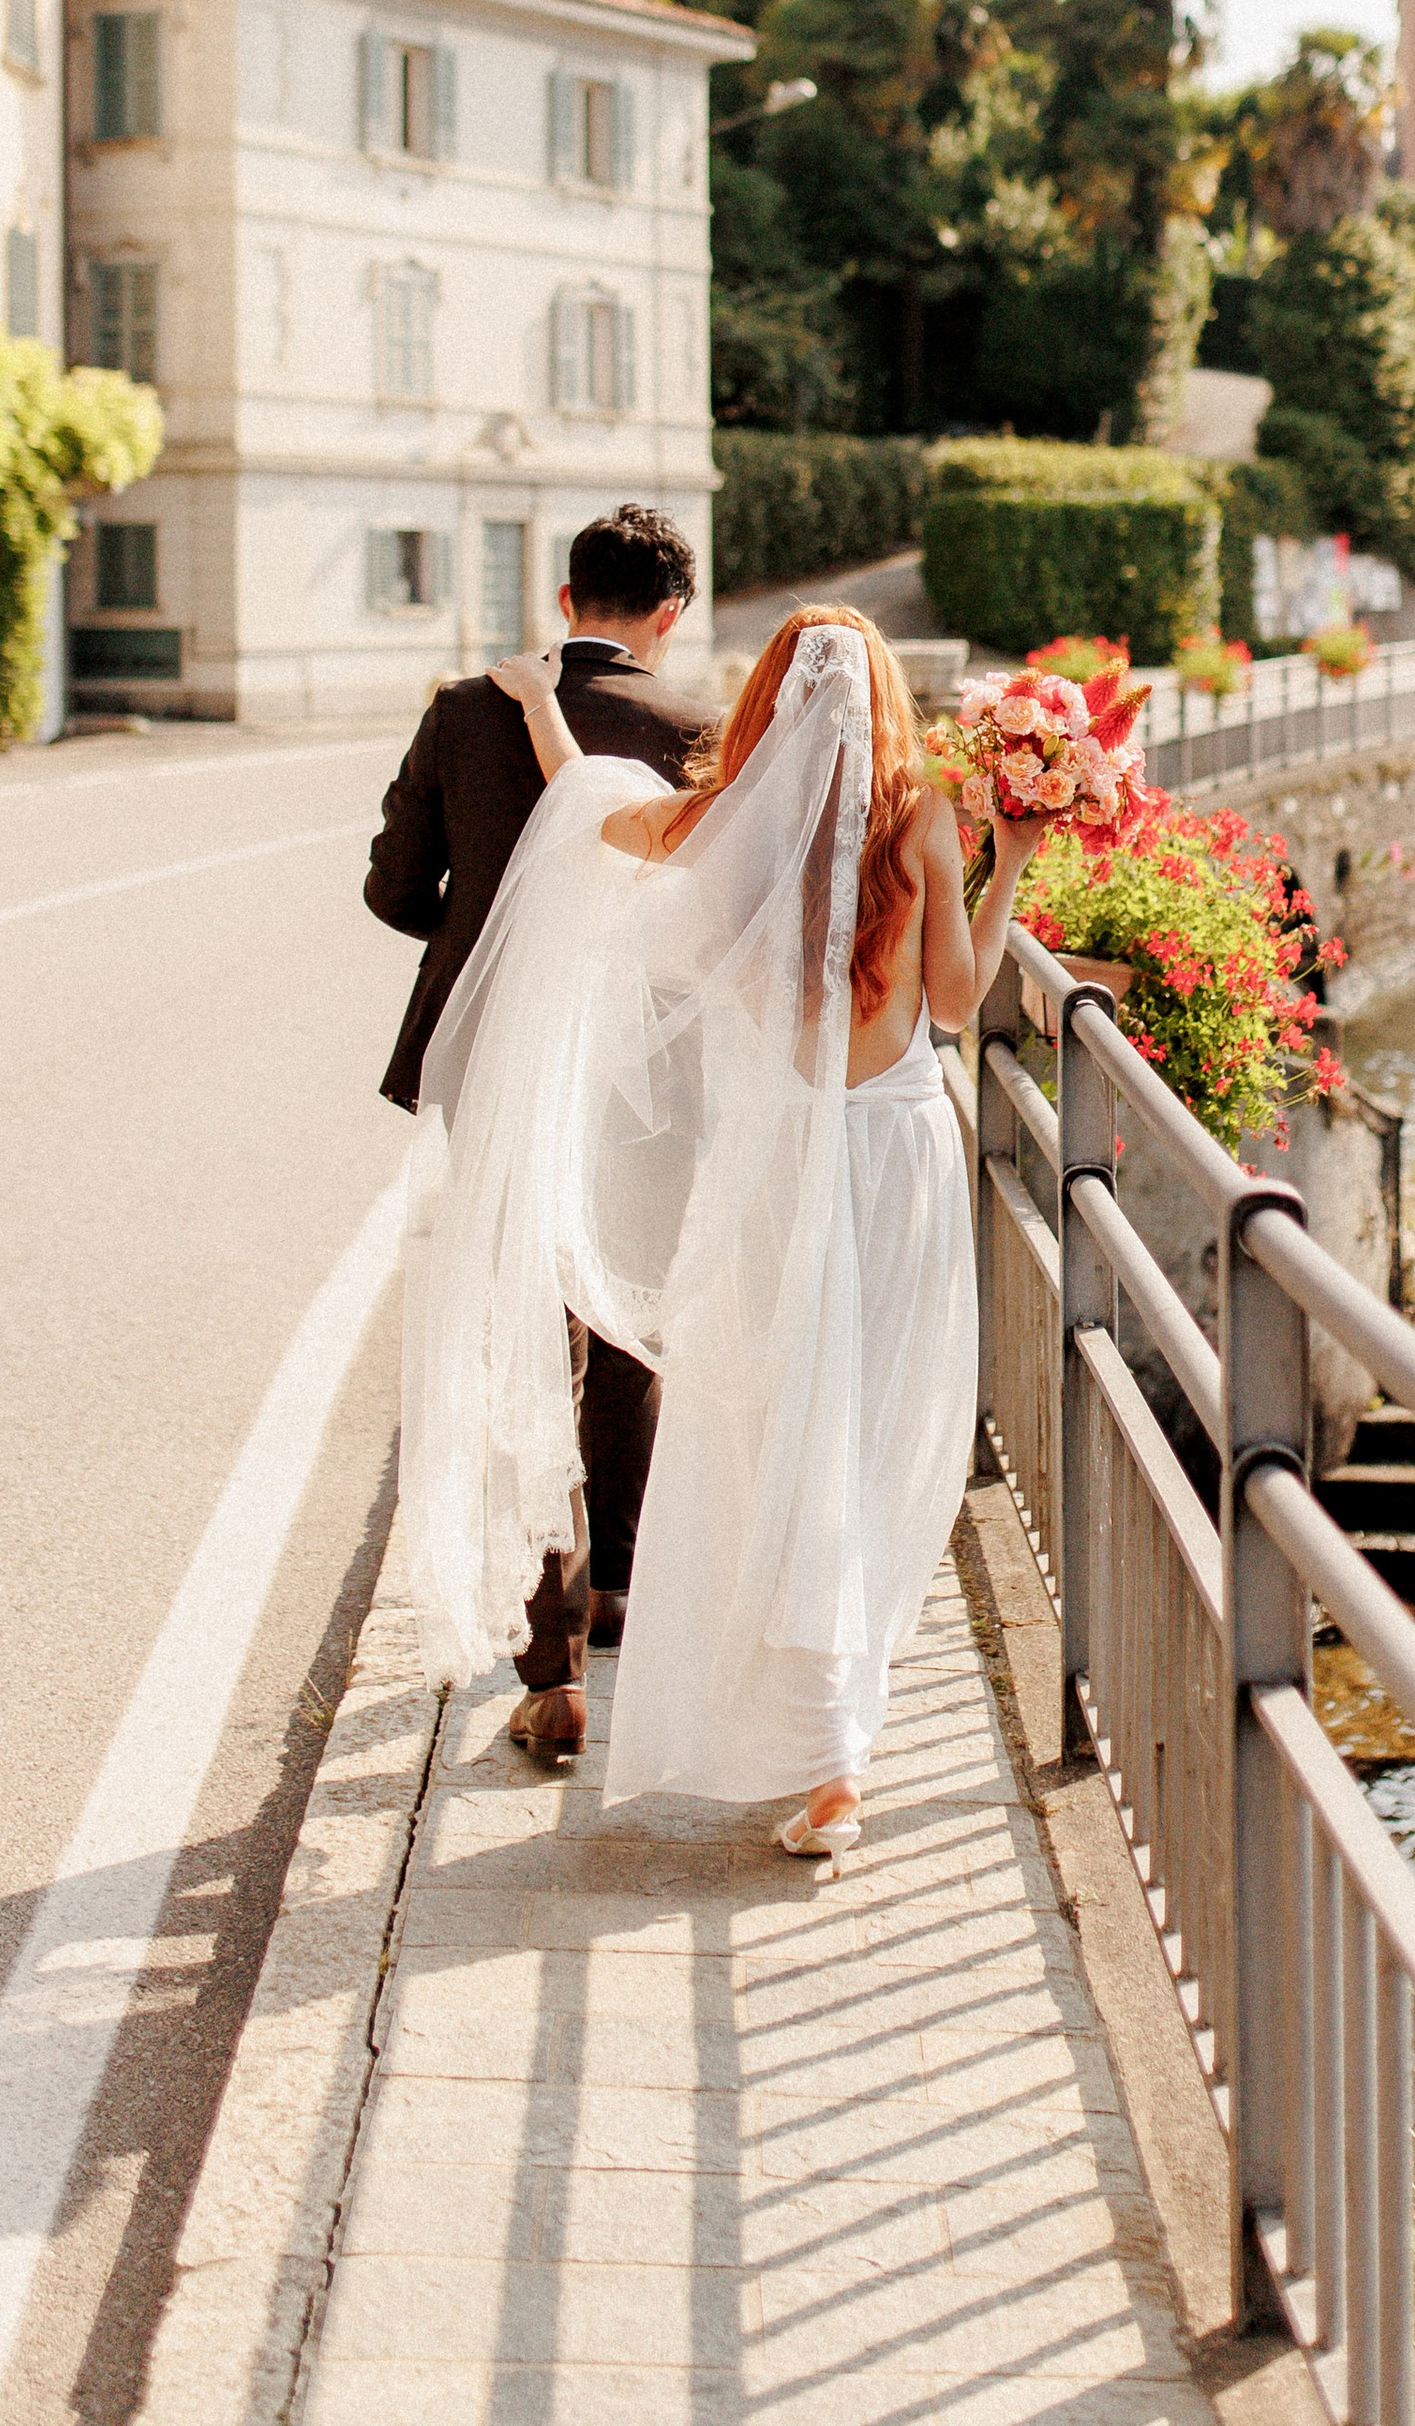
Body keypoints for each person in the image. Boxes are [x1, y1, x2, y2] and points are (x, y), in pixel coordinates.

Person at [401, 605, 1039, 1860]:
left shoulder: (721, 827)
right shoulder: (922, 817)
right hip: (897, 1162)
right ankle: (836, 1751)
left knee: (774, 1445)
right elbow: (958, 1005)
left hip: (777, 1177)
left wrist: (539, 708)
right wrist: (1008, 859)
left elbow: (587, 811)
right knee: (868, 1438)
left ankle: (813, 1752)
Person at [364, 502, 708, 1767]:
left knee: (526, 1333)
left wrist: (496, 946)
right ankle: (617, 1583)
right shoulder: (696, 729)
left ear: (567, 602)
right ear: (667, 614)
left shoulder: (465, 709)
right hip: (648, 1075)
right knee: (629, 1317)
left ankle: (545, 1659)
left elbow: (394, 889)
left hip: (497, 1062)